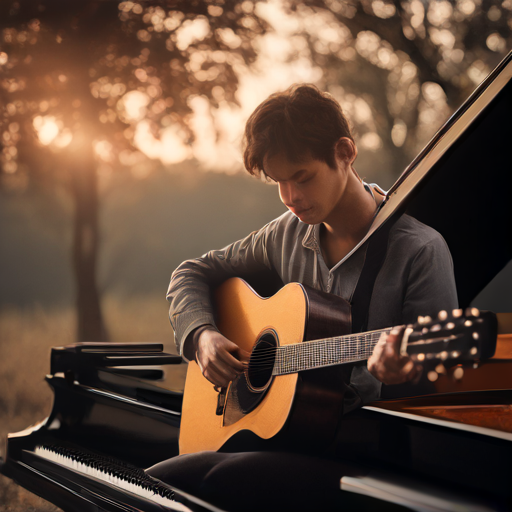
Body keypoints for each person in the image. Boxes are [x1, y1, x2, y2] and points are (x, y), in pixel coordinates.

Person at [149, 84, 458, 511]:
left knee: (186, 483)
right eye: (278, 182)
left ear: (345, 152)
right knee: (161, 484)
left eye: (303, 177)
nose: (291, 198)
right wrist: (202, 335)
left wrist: (405, 373)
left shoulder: (420, 251)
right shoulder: (284, 234)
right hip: (286, 441)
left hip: (368, 460)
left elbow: (444, 393)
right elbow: (193, 272)